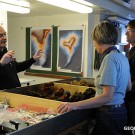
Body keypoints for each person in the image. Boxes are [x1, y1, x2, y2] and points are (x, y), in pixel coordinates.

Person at [57, 21, 131, 135]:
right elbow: (128, 87)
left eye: (94, 41)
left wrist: (74, 105)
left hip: (109, 115)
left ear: (99, 39)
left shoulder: (109, 59)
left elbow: (107, 97)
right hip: (121, 112)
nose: (94, 44)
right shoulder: (123, 57)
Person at [0, 26, 42, 90]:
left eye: (5, 34)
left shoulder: (5, 51)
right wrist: (1, 63)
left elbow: (17, 67)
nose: (5, 38)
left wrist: (33, 59)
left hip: (14, 93)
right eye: (0, 35)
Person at [125, 20, 135, 134]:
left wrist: (126, 88)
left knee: (131, 128)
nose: (126, 34)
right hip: (130, 97)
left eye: (129, 31)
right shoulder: (132, 50)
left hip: (133, 99)